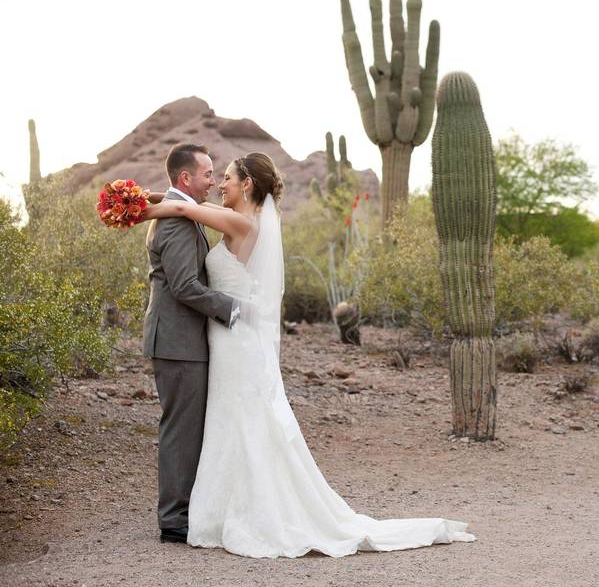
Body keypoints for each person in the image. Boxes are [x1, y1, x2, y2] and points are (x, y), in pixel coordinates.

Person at [140, 152, 476, 558]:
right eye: (212, 175)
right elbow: (184, 206)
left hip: (233, 336)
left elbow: (181, 206)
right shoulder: (234, 217)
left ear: (246, 184)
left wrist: (135, 209)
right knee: (228, 422)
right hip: (222, 338)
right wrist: (146, 196)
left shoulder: (241, 221)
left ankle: (232, 509)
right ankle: (214, 507)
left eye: (224, 176)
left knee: (239, 420)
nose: (218, 183)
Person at [142, 143, 241, 545]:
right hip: (178, 340)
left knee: (185, 426)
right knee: (181, 429)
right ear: (186, 178)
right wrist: (236, 311)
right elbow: (184, 286)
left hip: (179, 338)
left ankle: (183, 510)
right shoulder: (177, 221)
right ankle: (174, 520)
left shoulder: (178, 210)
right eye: (207, 174)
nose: (213, 181)